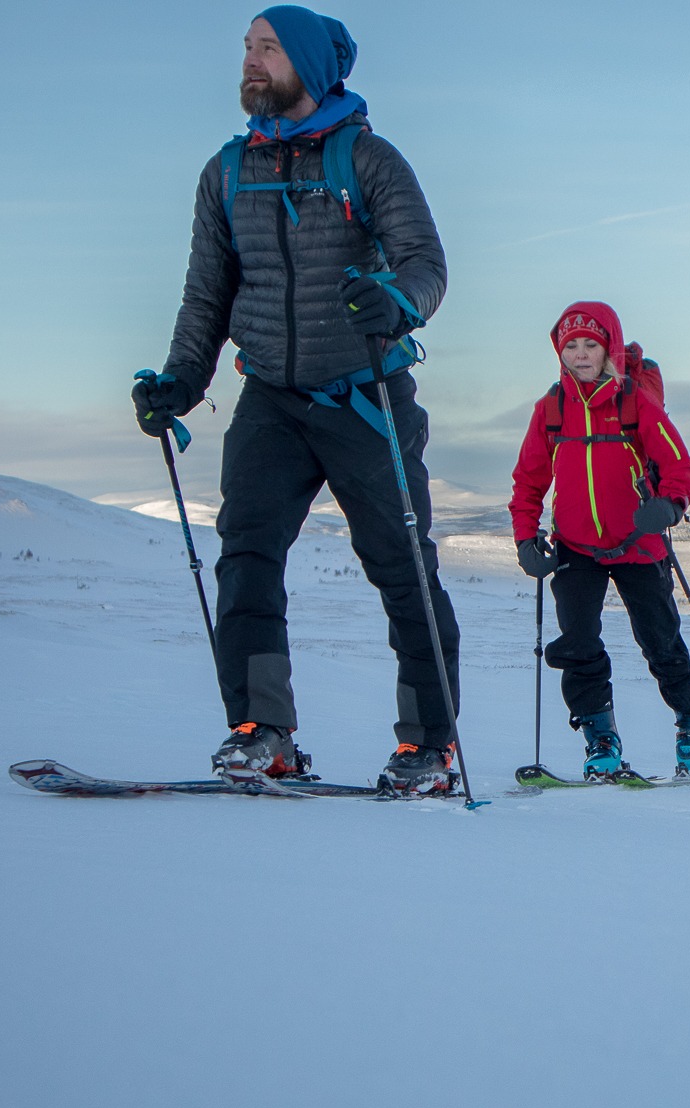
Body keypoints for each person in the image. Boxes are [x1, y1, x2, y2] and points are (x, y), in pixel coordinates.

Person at [132, 6, 460, 793]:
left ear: (307, 66)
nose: (250, 61)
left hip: (362, 396)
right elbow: (206, 295)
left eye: (267, 49)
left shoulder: (370, 160)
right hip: (269, 398)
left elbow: (425, 261)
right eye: (247, 48)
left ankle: (429, 744)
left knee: (400, 566)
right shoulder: (226, 170)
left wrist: (398, 302)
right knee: (245, 556)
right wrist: (181, 380)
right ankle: (261, 732)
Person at [508, 303, 690, 778]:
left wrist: (671, 504)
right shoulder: (550, 409)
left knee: (659, 641)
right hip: (576, 547)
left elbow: (679, 464)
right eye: (570, 345)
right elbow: (528, 481)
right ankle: (600, 735)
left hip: (639, 544)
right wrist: (525, 540)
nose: (580, 354)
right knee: (577, 643)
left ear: (608, 348)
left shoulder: (636, 403)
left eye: (590, 344)